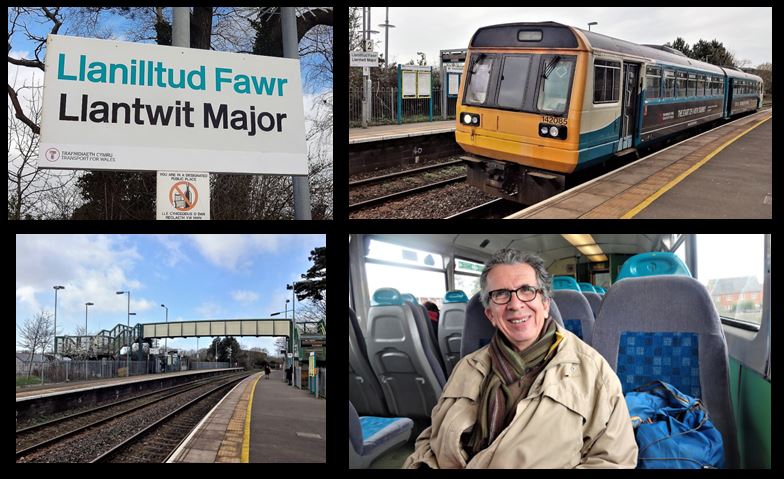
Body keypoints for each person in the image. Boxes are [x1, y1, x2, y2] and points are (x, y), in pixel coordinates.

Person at [403, 249, 638, 468]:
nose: (515, 304)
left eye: (527, 290)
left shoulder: (593, 371)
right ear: (490, 314)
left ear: (545, 304)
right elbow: (433, 438)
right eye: (501, 294)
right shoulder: (467, 367)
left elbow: (613, 460)